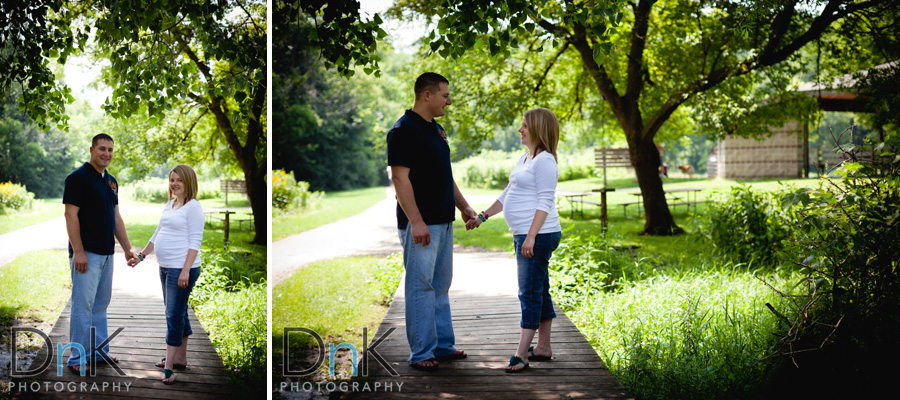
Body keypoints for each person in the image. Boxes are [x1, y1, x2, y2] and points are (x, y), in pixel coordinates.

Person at [387, 72, 478, 371]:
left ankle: (442, 346)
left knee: (440, 285)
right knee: (420, 287)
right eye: (445, 95)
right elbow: (400, 179)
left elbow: (445, 176)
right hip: (422, 225)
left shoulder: (436, 130)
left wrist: (463, 207)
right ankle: (422, 353)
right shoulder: (402, 131)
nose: (448, 101)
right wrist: (416, 221)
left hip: (444, 221)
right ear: (427, 95)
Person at [466, 108, 563, 373]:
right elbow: (508, 193)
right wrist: (483, 216)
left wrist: (530, 237)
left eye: (524, 126)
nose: (519, 130)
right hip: (527, 235)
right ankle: (543, 347)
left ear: (538, 129)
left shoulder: (545, 161)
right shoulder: (526, 159)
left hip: (538, 236)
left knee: (529, 292)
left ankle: (522, 354)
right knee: (539, 290)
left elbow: (545, 202)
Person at [63, 133, 137, 375]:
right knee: (82, 306)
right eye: (102, 149)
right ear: (92, 149)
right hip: (87, 255)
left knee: (100, 305)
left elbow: (116, 217)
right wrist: (79, 251)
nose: (107, 154)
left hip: (107, 254)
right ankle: (77, 358)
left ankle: (98, 352)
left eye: (110, 150)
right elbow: (70, 216)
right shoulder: (77, 178)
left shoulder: (112, 181)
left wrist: (127, 249)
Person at [127, 164, 205, 384]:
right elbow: (158, 232)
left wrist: (185, 270)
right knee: (178, 311)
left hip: (181, 268)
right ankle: (181, 358)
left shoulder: (193, 208)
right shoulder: (170, 204)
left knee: (173, 314)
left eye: (179, 180)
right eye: (172, 180)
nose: (174, 184)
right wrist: (141, 256)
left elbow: (195, 242)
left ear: (189, 182)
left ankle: (170, 367)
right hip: (165, 267)